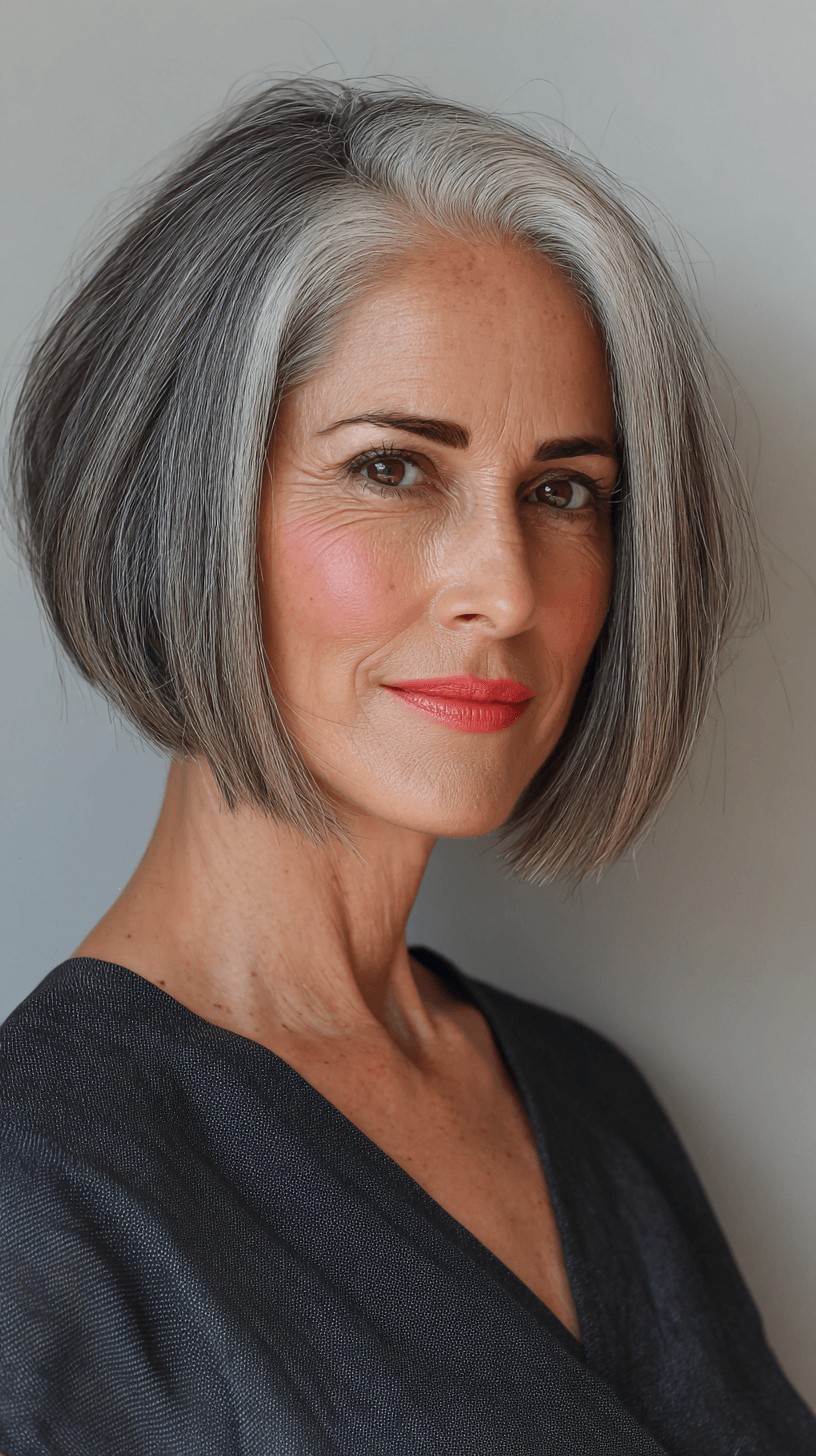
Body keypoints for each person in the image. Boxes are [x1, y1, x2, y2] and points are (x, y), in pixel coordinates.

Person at [1, 75, 813, 1455]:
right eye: (393, 468)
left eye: (563, 492)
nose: (506, 587)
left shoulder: (590, 1104)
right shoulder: (42, 1205)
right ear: (183, 500)